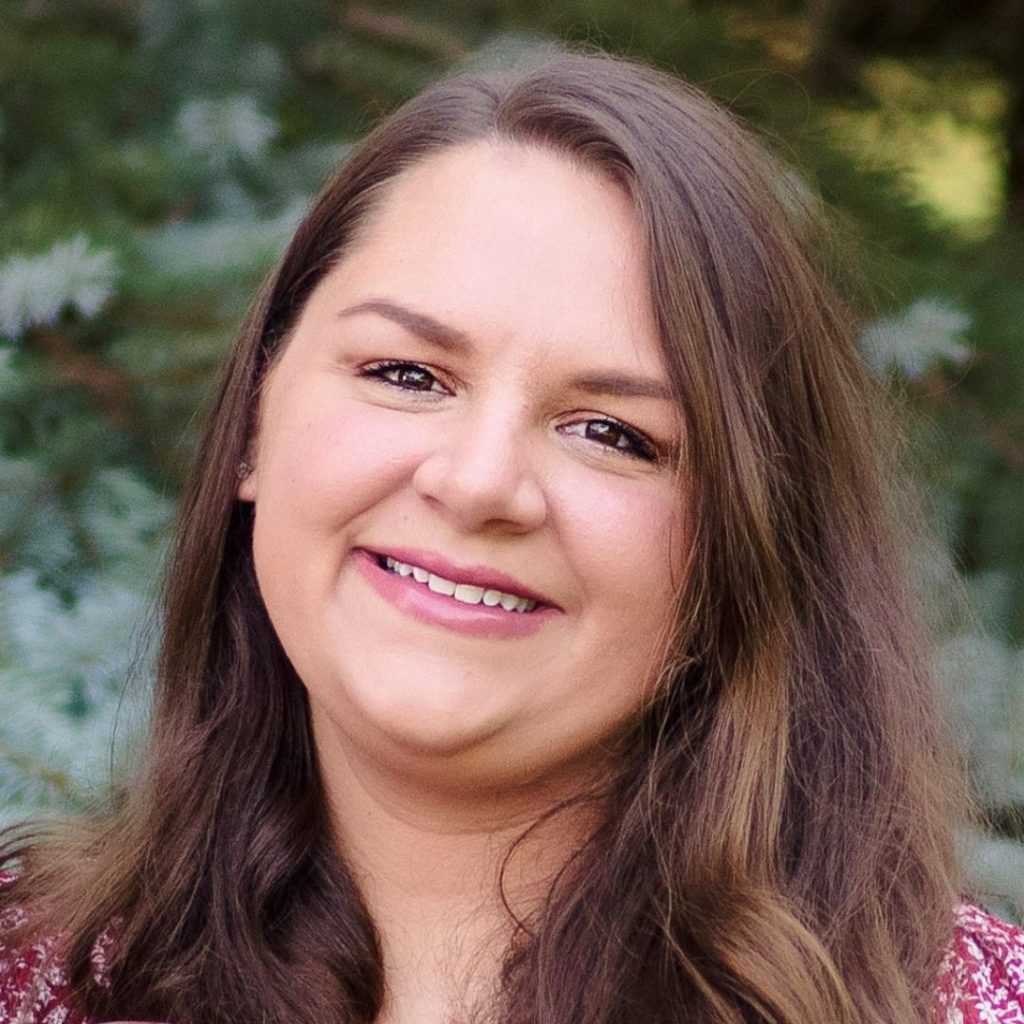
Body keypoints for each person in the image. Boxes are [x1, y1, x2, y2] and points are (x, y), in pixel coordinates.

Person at [1, 47, 1022, 1024]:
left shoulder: (971, 1005)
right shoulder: (28, 973)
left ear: (742, 545)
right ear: (255, 424)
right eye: (406, 373)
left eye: (613, 433)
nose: (480, 481)